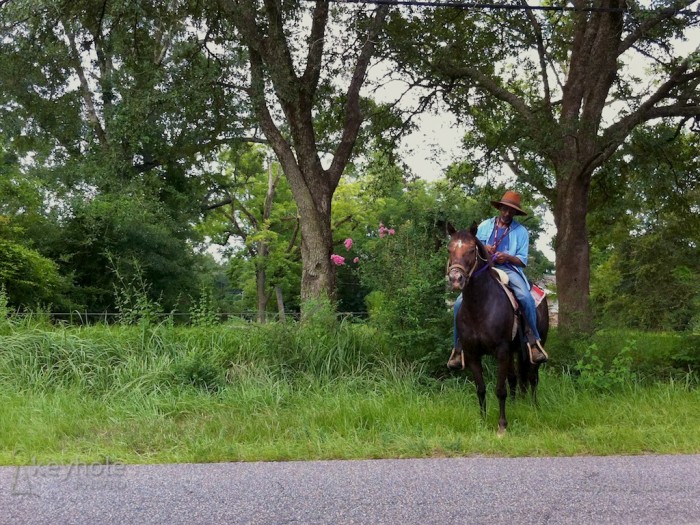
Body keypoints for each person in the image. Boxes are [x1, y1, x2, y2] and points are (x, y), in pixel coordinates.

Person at [448, 190, 548, 368]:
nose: (507, 213)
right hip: (485, 269)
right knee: (457, 304)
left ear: (515, 213)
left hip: (509, 269)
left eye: (511, 211)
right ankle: (457, 348)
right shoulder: (486, 225)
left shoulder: (521, 231)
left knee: (525, 297)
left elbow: (522, 260)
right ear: (500, 208)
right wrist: (484, 247)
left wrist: (507, 257)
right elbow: (472, 248)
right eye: (505, 209)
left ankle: (533, 341)